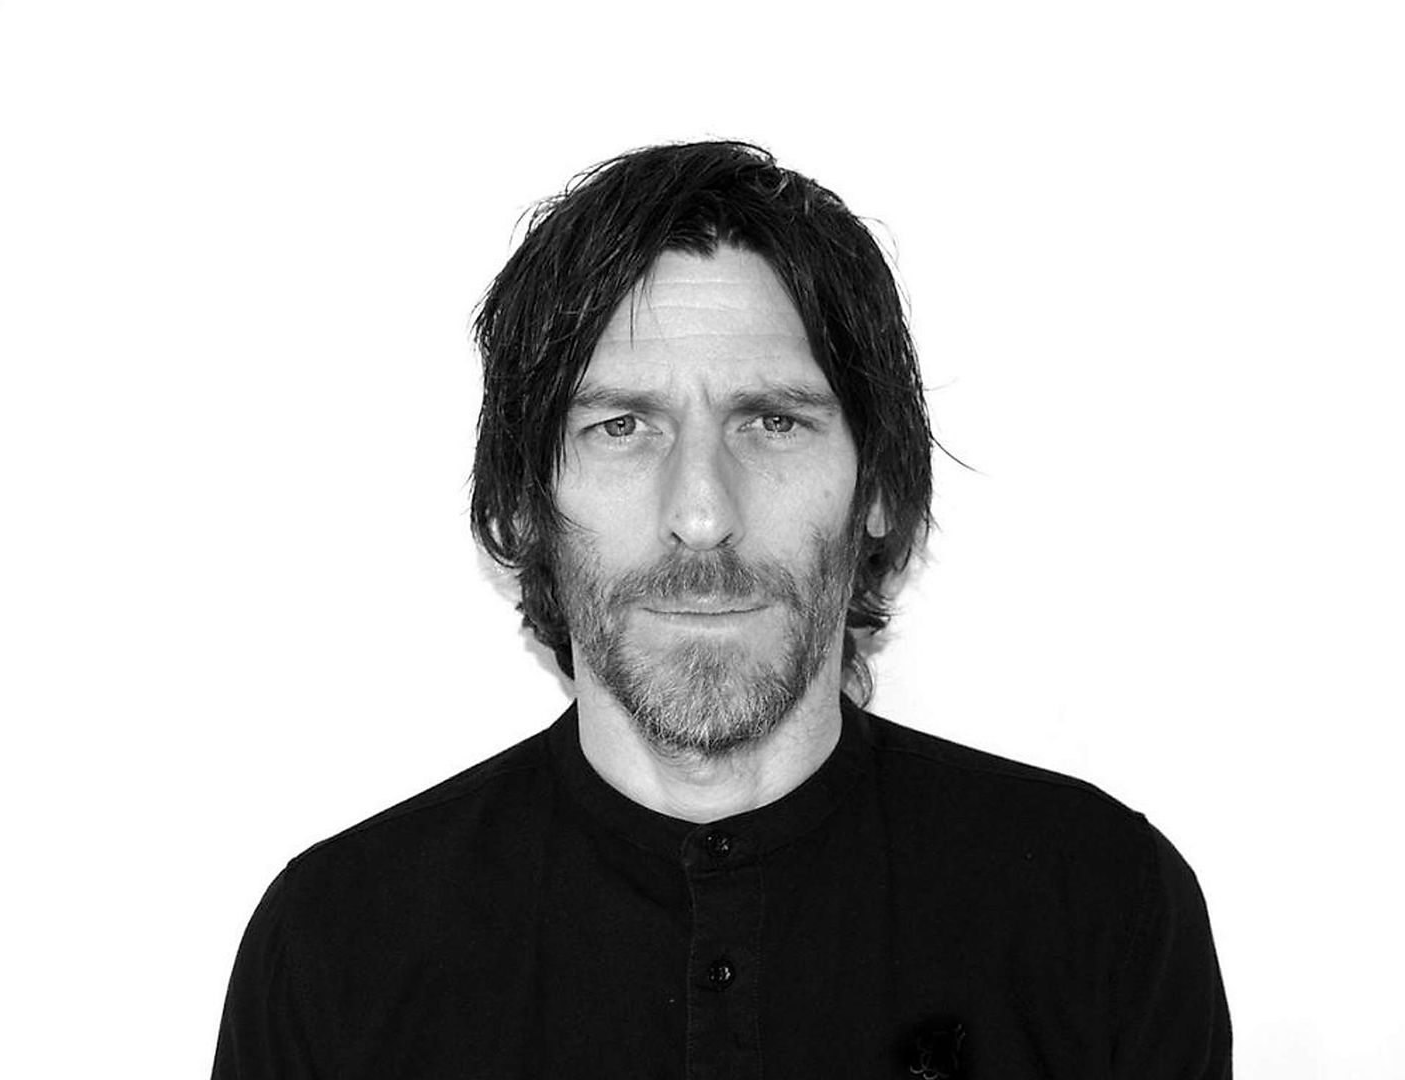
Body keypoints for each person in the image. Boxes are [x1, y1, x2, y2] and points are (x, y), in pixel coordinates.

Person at [211, 141, 1230, 1078]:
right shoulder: (336, 951)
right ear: (525, 503)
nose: (701, 514)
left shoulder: (1103, 913)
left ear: (876, 487)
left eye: (774, 421)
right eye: (622, 426)